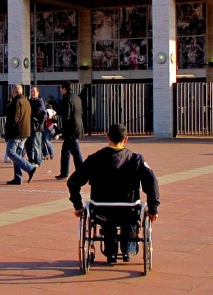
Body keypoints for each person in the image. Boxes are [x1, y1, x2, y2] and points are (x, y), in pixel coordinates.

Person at [67, 124, 160, 264]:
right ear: (126, 139)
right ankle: (128, 250)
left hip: (101, 210)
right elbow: (152, 182)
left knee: (107, 219)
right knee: (129, 218)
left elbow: (73, 182)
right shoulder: (136, 159)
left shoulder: (94, 159)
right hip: (129, 211)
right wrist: (153, 208)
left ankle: (110, 252)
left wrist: (78, 205)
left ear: (107, 137)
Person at [4, 84, 37, 185]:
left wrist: (8, 131)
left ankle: (29, 168)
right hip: (25, 132)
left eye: (12, 91)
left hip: (16, 133)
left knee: (10, 152)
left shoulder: (16, 102)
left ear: (14, 92)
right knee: (17, 155)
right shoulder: (26, 101)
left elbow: (14, 118)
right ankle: (18, 178)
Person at [56, 81, 84, 180]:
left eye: (61, 88)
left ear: (64, 88)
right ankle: (64, 172)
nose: (60, 90)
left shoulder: (66, 98)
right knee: (65, 150)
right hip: (78, 124)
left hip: (70, 128)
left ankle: (82, 171)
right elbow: (80, 112)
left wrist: (61, 129)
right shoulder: (77, 97)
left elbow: (66, 116)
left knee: (75, 150)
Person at [27, 86, 46, 166]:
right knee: (28, 144)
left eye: (34, 92)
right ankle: (31, 159)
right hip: (29, 126)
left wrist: (38, 121)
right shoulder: (29, 101)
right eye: (31, 92)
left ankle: (38, 160)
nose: (32, 93)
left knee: (36, 144)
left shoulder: (40, 102)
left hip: (37, 127)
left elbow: (41, 113)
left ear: (38, 93)